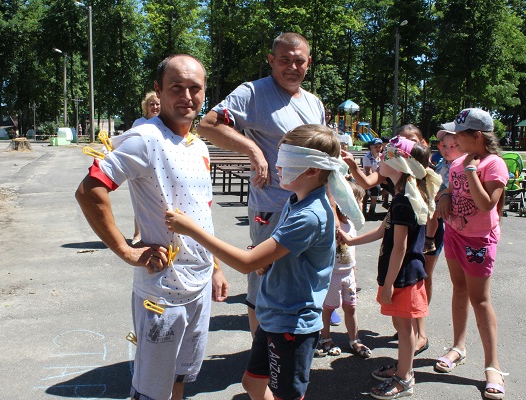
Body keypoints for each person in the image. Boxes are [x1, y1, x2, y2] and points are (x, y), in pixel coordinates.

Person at [166, 124, 362, 400]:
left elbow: (246, 263)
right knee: (253, 383)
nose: (277, 166)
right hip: (274, 315)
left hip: (292, 324)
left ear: (312, 170)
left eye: (286, 161)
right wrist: (268, 261)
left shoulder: (310, 215)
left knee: (285, 395)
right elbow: (280, 250)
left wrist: (192, 230)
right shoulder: (296, 201)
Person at [75, 54, 228, 400]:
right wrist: (126, 251)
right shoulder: (145, 138)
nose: (186, 96)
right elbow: (89, 190)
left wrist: (216, 267)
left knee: (180, 378)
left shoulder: (199, 147)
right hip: (162, 294)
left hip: (200, 285)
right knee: (150, 391)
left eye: (195, 88)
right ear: (158, 90)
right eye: (177, 87)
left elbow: (202, 214)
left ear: (205, 93)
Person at [197, 32, 339, 336]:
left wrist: (333, 207)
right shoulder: (254, 93)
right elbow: (207, 125)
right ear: (271, 60)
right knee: (263, 279)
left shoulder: (313, 103)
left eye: (299, 61)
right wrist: (253, 149)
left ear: (309, 63)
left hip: (311, 208)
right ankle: (262, 353)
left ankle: (291, 344)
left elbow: (324, 161)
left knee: (301, 278)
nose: (292, 67)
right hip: (272, 207)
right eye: (284, 60)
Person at [338, 136, 440, 399]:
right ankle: (403, 368)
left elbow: (400, 248)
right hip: (400, 274)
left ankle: (404, 378)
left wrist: (389, 284)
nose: (381, 158)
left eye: (386, 155)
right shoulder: (401, 196)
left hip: (403, 276)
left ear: (399, 165)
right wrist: (351, 239)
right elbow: (382, 231)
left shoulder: (404, 200)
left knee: (404, 330)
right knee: (402, 325)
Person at [436, 108, 509, 400]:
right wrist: (444, 195)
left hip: (478, 240)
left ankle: (493, 366)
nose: (454, 139)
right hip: (454, 233)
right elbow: (447, 188)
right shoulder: (458, 162)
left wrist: (470, 171)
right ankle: (458, 347)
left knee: (480, 300)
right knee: (459, 289)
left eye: (459, 134)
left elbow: (486, 204)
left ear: (476, 136)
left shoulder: (493, 164)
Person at [315, 180, 372, 359]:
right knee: (328, 309)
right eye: (358, 201)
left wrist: (354, 271)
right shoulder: (333, 224)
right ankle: (325, 338)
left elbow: (352, 250)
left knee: (351, 308)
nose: (361, 205)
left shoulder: (351, 225)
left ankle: (355, 340)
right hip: (333, 275)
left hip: (348, 274)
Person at [423, 129, 463, 253]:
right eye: (444, 146)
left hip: (445, 196)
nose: (446, 150)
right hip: (436, 191)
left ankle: (429, 239)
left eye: (452, 146)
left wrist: (437, 196)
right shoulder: (442, 161)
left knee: (432, 215)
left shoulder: (459, 166)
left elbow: (451, 186)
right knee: (430, 216)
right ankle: (429, 238)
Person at [130, 91, 161, 244]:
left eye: (157, 104)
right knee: (139, 201)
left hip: (158, 166)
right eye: (151, 104)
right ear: (146, 107)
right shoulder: (139, 123)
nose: (155, 107)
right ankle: (137, 234)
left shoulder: (164, 122)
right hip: (139, 166)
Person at [362, 138, 384, 218]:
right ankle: (372, 207)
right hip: (369, 177)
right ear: (371, 147)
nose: (378, 148)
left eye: (380, 146)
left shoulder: (382, 156)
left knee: (391, 185)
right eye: (376, 147)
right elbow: (369, 172)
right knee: (376, 187)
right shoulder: (367, 157)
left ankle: (378, 204)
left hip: (380, 176)